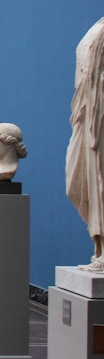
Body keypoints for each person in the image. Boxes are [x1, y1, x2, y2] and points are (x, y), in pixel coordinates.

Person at [66, 17, 104, 270]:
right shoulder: (97, 27)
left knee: (99, 179)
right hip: (84, 112)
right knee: (76, 182)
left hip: (97, 113)